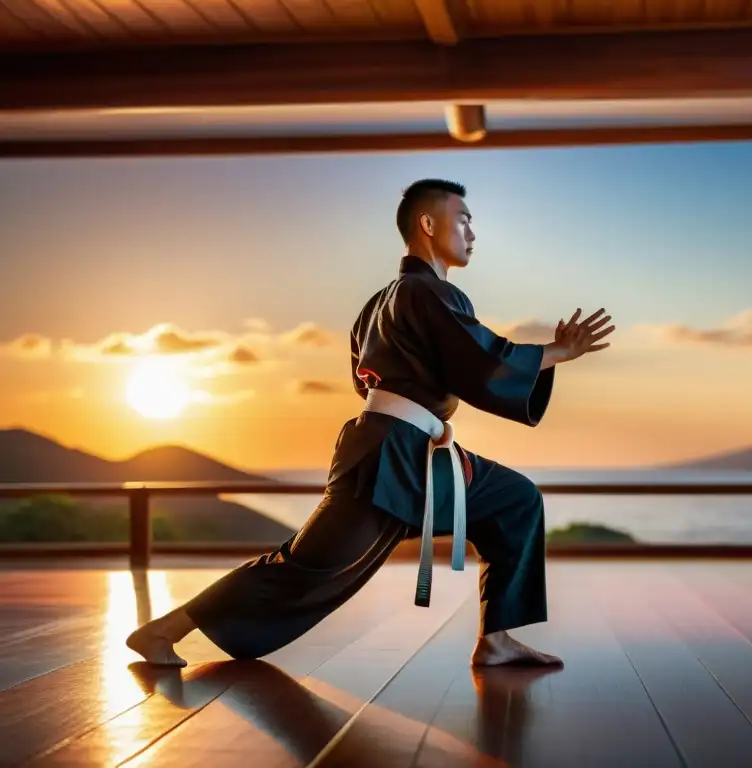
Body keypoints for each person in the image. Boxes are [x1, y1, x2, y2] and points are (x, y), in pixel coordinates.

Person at [126, 178, 615, 669]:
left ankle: (497, 639)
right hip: (387, 457)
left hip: (413, 452)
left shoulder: (378, 305)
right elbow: (477, 358)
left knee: (514, 500)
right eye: (463, 218)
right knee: (307, 564)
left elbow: (371, 380)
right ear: (428, 224)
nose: (471, 230)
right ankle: (163, 631)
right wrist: (556, 354)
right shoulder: (428, 294)